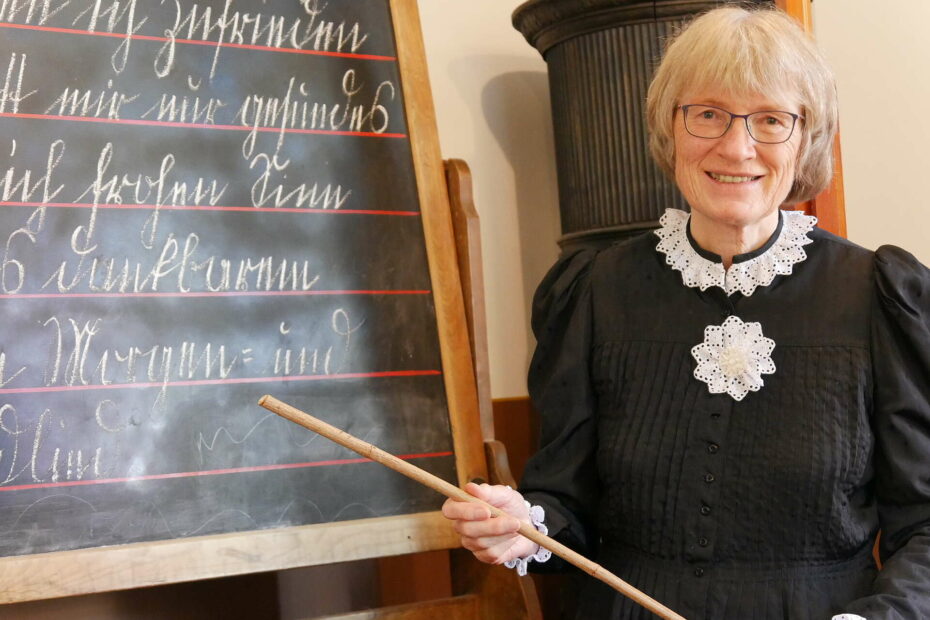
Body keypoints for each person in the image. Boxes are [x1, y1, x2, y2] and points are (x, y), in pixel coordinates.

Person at [442, 6, 930, 619]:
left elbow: (925, 527)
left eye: (771, 119)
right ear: (669, 127)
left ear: (807, 137)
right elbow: (567, 505)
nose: (737, 147)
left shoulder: (878, 296)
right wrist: (524, 525)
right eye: (707, 114)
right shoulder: (594, 291)